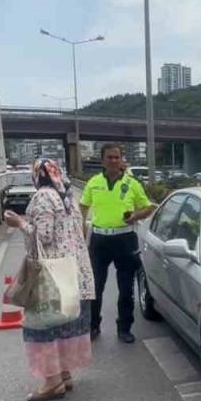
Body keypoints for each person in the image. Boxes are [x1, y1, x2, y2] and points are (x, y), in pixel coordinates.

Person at [3, 158, 95, 401]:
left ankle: (52, 382)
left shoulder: (44, 196)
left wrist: (19, 223)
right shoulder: (66, 196)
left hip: (50, 275)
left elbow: (43, 236)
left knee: (42, 327)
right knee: (64, 325)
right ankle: (64, 374)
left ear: (38, 175)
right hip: (74, 272)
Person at [79, 144, 155, 344]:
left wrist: (135, 216)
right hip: (99, 240)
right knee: (95, 286)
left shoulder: (132, 184)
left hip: (125, 239)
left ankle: (124, 328)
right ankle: (93, 326)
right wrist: (81, 230)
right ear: (102, 160)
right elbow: (83, 206)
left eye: (116, 157)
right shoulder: (93, 182)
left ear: (122, 160)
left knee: (126, 288)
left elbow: (148, 208)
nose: (113, 161)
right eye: (109, 157)